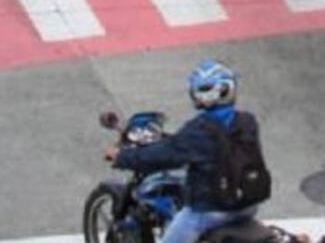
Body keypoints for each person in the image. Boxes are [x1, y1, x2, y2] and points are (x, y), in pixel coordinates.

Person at [108, 61, 268, 243]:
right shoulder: (248, 122)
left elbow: (163, 155)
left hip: (210, 212)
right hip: (247, 205)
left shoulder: (198, 131)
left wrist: (122, 157)